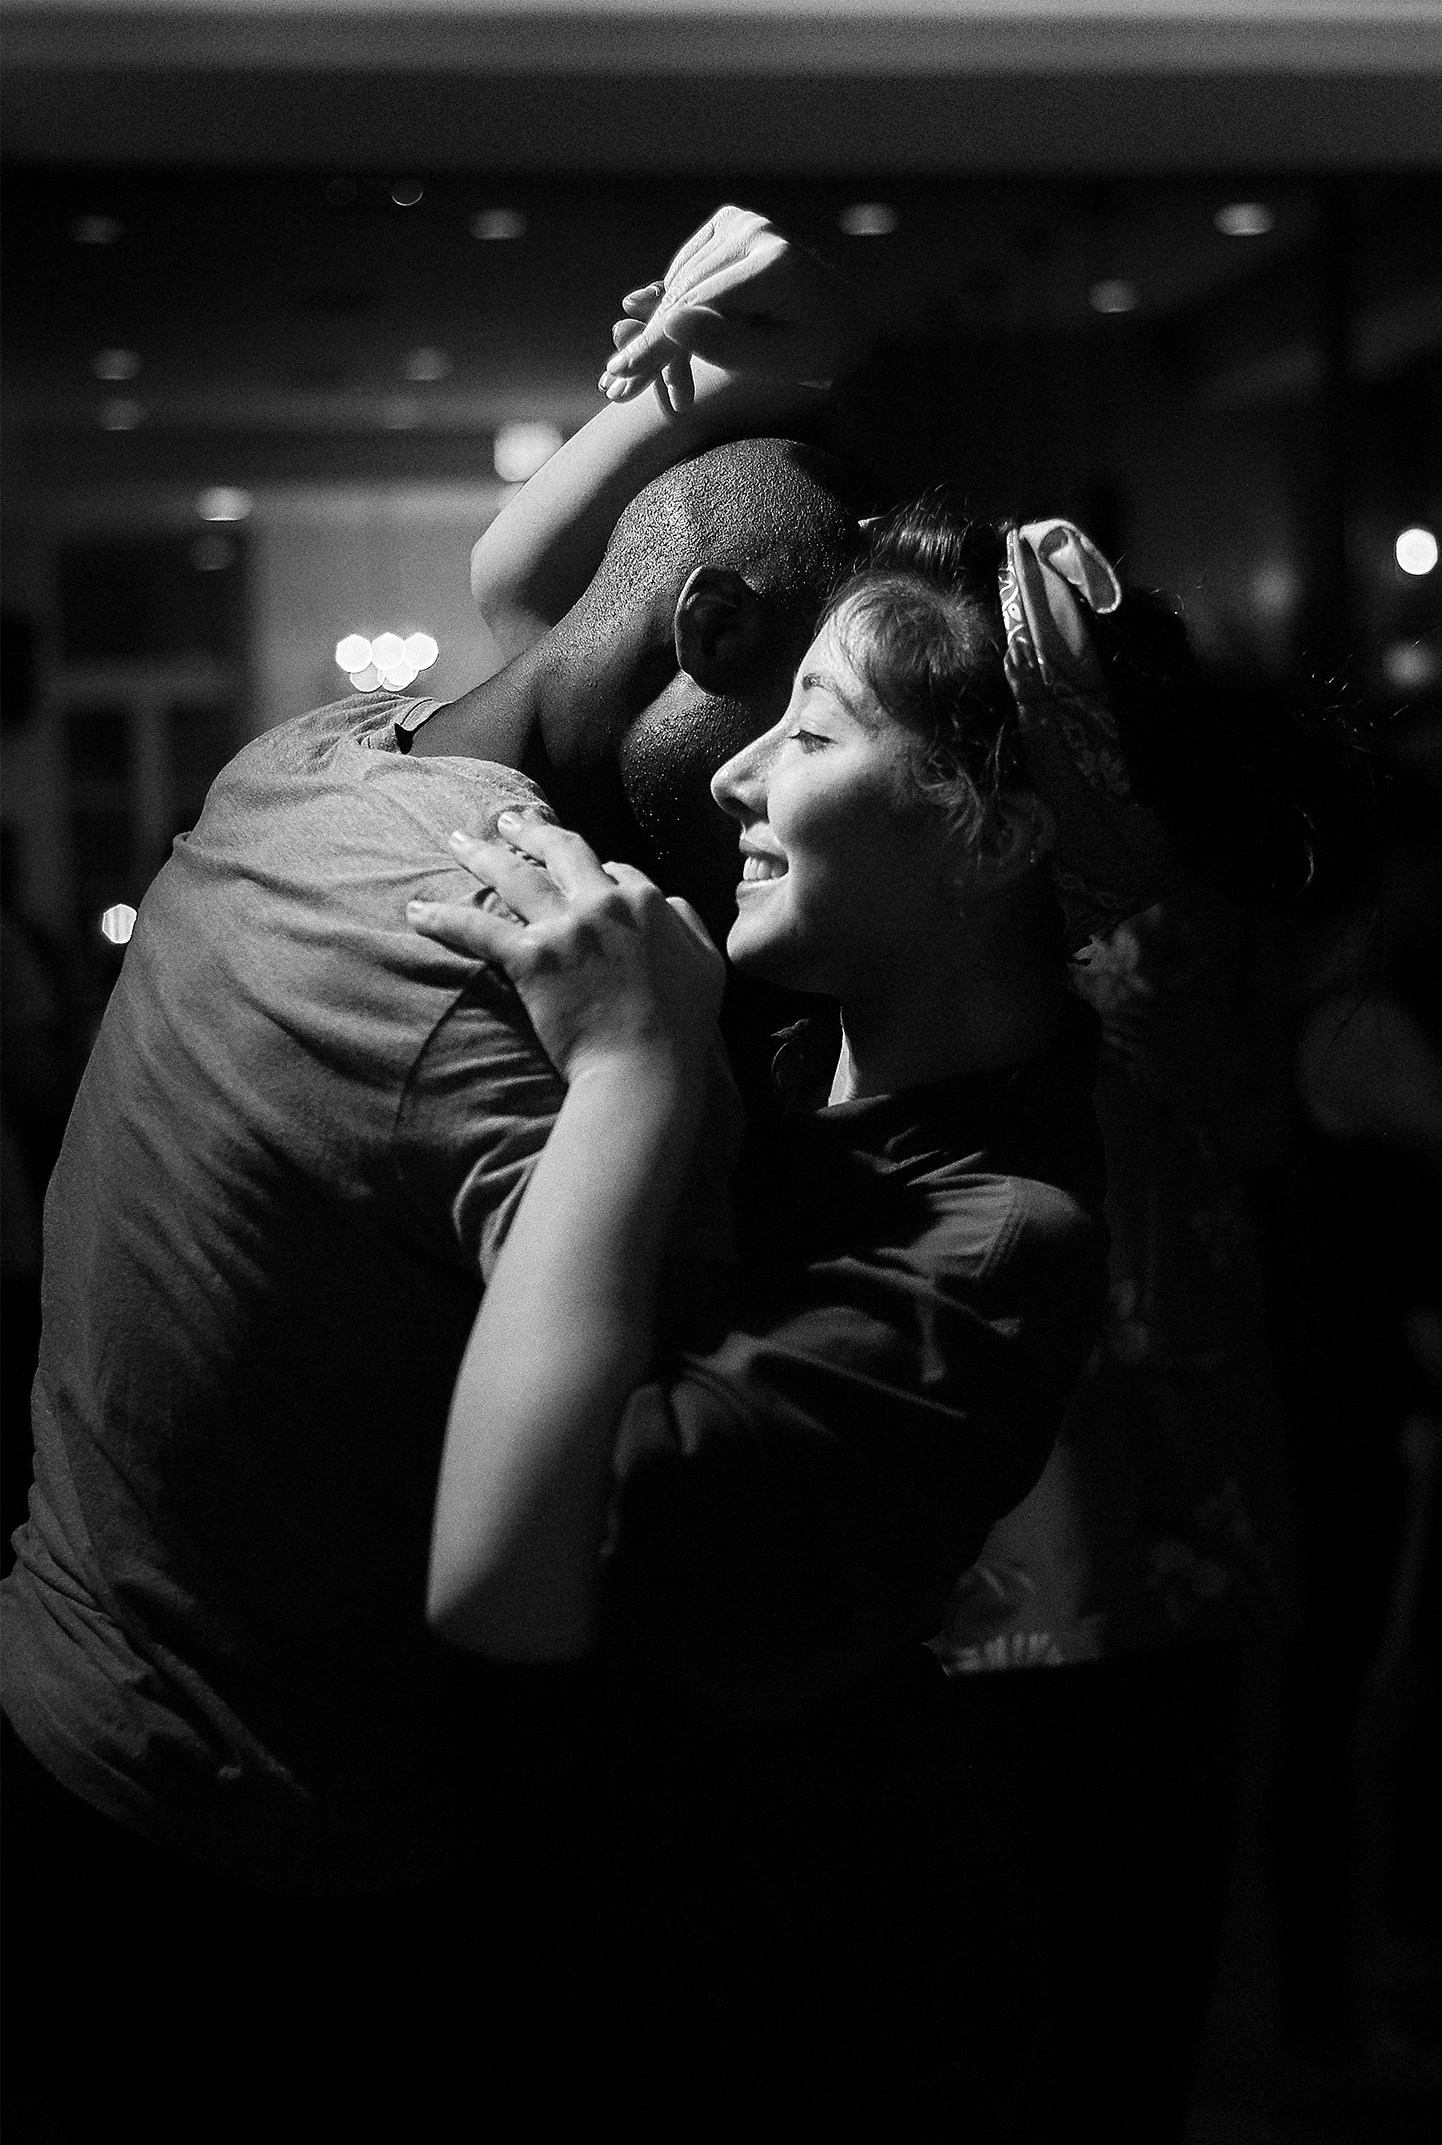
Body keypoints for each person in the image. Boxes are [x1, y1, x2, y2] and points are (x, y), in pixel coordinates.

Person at [0, 210, 865, 2144]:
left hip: (50, 1723)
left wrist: (671, 412)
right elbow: (601, 1572)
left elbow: (545, 613)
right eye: (793, 727)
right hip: (277, 1878)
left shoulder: (294, 761)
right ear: (720, 631)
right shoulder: (554, 1017)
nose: (764, 807)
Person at [405, 489, 1294, 2124]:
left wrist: (620, 1070)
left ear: (990, 832)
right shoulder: (777, 1032)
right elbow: (544, 619)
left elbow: (504, 1578)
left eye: (807, 729)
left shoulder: (997, 1238)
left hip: (827, 2018)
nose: (732, 769)